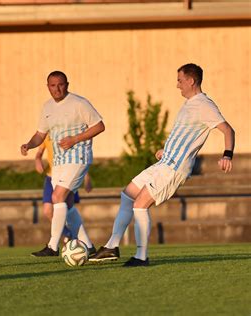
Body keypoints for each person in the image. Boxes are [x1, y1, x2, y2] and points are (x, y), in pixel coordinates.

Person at [90, 63, 235, 267]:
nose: (177, 85)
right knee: (127, 195)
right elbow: (184, 134)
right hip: (164, 161)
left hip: (174, 168)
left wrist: (227, 155)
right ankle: (111, 246)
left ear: (191, 81)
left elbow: (228, 130)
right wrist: (165, 149)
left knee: (139, 205)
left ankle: (141, 256)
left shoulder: (205, 105)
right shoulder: (189, 104)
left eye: (180, 80)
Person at [21, 70, 105, 257]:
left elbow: (99, 126)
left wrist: (75, 139)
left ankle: (52, 246)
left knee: (57, 197)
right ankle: (88, 246)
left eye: (61, 84)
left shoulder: (79, 103)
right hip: (58, 162)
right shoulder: (47, 107)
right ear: (48, 87)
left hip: (78, 158)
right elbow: (40, 134)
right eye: (53, 85)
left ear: (67, 84)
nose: (57, 89)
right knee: (67, 204)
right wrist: (29, 144)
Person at [34, 134, 95, 256]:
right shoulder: (48, 132)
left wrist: (86, 177)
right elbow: (39, 149)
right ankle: (84, 243)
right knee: (56, 208)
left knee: (60, 200)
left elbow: (81, 152)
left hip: (69, 172)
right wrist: (37, 159)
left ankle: (53, 246)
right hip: (52, 175)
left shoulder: (71, 129)